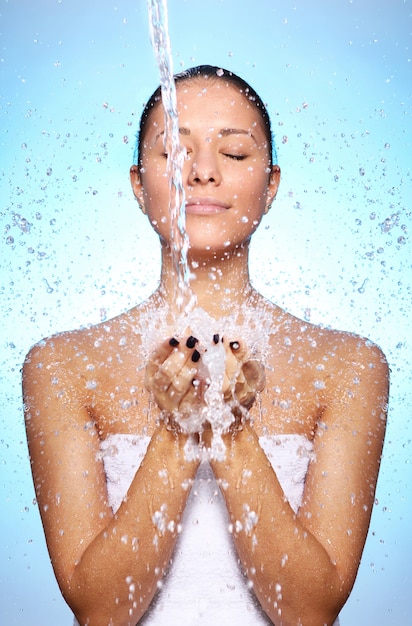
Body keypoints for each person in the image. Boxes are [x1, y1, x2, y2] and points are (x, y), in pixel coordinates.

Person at [22, 65, 389, 626]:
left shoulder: (347, 366)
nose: (202, 173)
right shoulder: (63, 366)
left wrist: (227, 431)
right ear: (138, 183)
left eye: (236, 154)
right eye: (174, 151)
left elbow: (310, 611)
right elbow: (101, 610)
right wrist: (177, 434)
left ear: (271, 184)